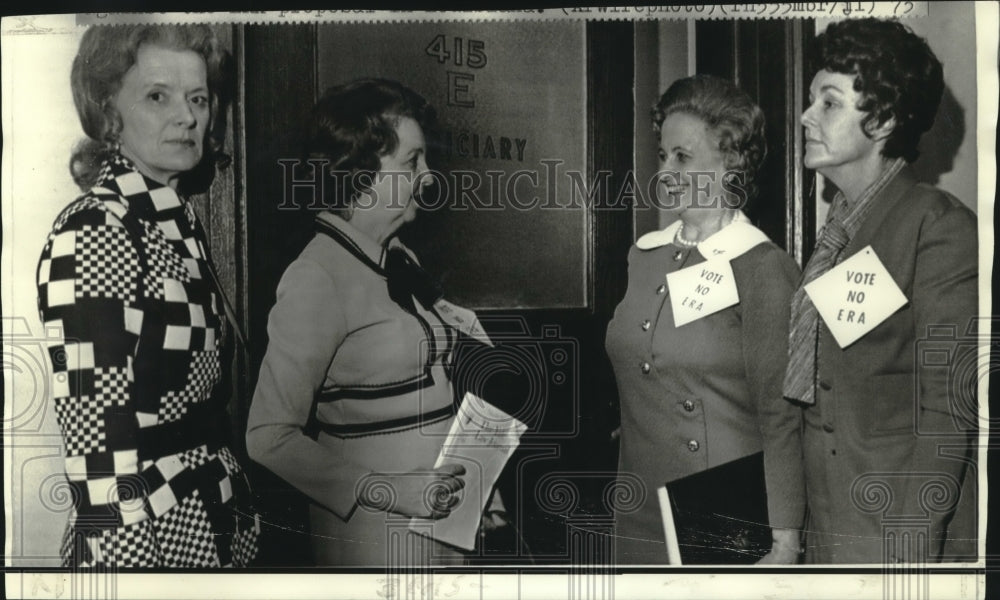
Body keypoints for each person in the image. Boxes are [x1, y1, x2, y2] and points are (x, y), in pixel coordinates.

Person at [36, 25, 259, 567]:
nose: (187, 116)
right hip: (150, 538)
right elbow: (96, 444)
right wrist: (133, 575)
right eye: (158, 96)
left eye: (198, 98)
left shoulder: (167, 221)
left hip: (208, 522)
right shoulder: (96, 229)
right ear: (109, 112)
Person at [247, 78, 481, 566]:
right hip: (374, 539)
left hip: (442, 527)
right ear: (360, 173)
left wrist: (479, 484)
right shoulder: (316, 277)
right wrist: (390, 490)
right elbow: (268, 437)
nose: (429, 175)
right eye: (412, 162)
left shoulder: (399, 257)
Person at [784, 18, 977, 563]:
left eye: (829, 103)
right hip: (827, 531)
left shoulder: (936, 226)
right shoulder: (836, 234)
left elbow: (949, 411)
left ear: (885, 119)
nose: (806, 115)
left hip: (897, 538)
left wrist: (908, 551)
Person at [605, 75, 805, 564]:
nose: (668, 170)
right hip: (639, 506)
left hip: (721, 513)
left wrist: (785, 539)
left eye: (684, 157)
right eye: (664, 156)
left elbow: (781, 418)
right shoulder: (644, 256)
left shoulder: (762, 266)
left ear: (732, 163)